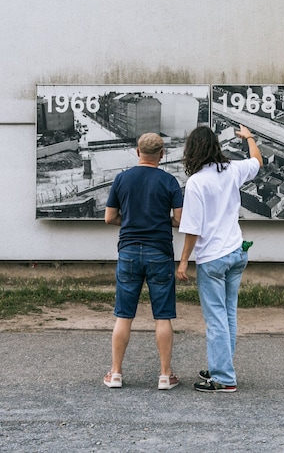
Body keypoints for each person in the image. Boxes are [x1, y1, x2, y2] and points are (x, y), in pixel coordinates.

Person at [177, 124, 262, 393]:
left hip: (212, 259)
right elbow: (257, 162)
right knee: (228, 314)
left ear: (192, 151)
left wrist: (182, 262)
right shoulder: (233, 170)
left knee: (215, 318)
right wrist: (248, 138)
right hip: (237, 252)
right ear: (216, 146)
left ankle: (224, 376)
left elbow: (192, 229)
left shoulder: (196, 182)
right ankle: (221, 365)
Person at [102, 132, 183, 390]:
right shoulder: (170, 181)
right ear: (162, 154)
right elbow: (180, 220)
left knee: (124, 316)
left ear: (138, 152)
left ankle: (115, 373)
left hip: (128, 252)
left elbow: (109, 217)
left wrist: (129, 221)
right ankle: (165, 375)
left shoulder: (121, 179)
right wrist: (161, 221)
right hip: (159, 252)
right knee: (162, 317)